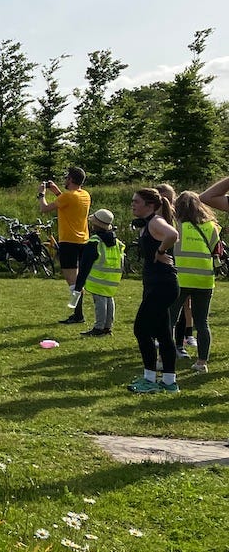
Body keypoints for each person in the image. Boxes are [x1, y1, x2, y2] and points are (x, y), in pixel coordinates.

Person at [127, 188, 180, 393]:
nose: (133, 204)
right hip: (157, 284)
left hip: (162, 285)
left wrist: (160, 252)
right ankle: (168, 382)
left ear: (150, 205)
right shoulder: (148, 223)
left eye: (137, 201)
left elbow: (172, 234)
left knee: (141, 329)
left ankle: (149, 380)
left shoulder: (155, 222)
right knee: (163, 333)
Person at [171, 191, 218, 373]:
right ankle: (201, 362)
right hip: (204, 279)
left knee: (170, 319)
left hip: (181, 277)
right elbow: (216, 250)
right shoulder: (211, 227)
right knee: (202, 322)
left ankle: (162, 357)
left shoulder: (177, 226)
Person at [38, 167, 92, 325]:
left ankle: (78, 315)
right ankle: (78, 314)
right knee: (78, 280)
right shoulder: (84, 195)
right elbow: (67, 202)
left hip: (69, 242)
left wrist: (41, 194)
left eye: (66, 177)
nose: (65, 179)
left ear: (71, 179)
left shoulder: (68, 196)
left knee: (73, 282)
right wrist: (56, 191)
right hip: (83, 241)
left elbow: (44, 208)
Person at [72, 209, 123, 337]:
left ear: (95, 225)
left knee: (99, 301)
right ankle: (107, 327)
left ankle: (98, 328)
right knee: (109, 299)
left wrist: (79, 284)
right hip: (112, 278)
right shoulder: (116, 241)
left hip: (98, 279)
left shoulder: (94, 241)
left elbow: (85, 265)